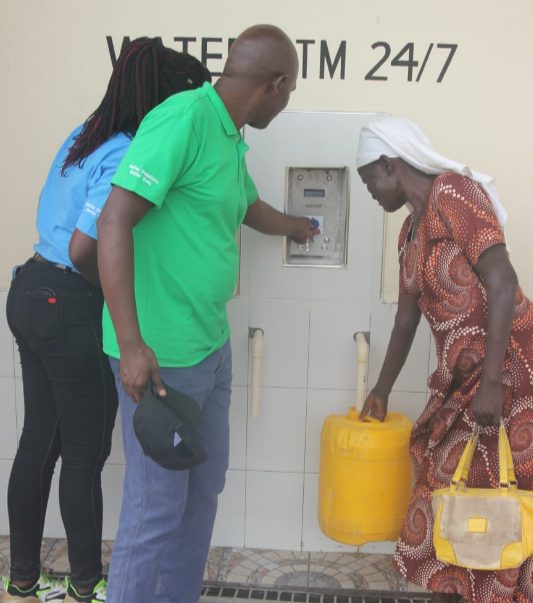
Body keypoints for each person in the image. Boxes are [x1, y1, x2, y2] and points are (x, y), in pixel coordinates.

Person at [95, 23, 316, 603]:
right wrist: (132, 344)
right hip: (162, 356)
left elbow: (247, 206)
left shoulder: (230, 136)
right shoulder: (184, 119)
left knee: (203, 491)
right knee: (155, 510)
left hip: (210, 350)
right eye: (290, 93)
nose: (287, 102)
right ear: (276, 85)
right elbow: (113, 221)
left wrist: (299, 226)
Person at [3, 38, 212, 603]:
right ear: (159, 99)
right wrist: (121, 297)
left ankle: (21, 578)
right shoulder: (125, 150)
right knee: (84, 453)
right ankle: (87, 584)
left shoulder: (84, 134)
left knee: (38, 442)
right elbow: (82, 249)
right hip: (66, 302)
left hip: (28, 289)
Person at [356, 117, 533, 603]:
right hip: (462, 382)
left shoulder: (455, 193)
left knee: (494, 501)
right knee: (456, 496)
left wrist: (494, 381)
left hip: (509, 373)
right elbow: (405, 321)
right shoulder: (410, 234)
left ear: (390, 165)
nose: (369, 190)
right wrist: (381, 389)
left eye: (369, 178)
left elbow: (502, 281)